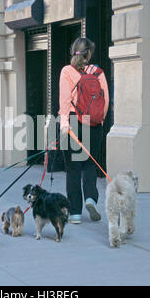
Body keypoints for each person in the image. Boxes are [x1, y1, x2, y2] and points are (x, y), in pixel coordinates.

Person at [59, 37, 109, 224]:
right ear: (89, 53)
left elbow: (64, 101)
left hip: (73, 121)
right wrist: (100, 121)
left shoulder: (67, 71)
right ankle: (90, 198)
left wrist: (64, 124)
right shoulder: (97, 72)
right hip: (93, 124)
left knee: (73, 169)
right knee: (89, 164)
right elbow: (105, 101)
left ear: (74, 51)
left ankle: (75, 214)